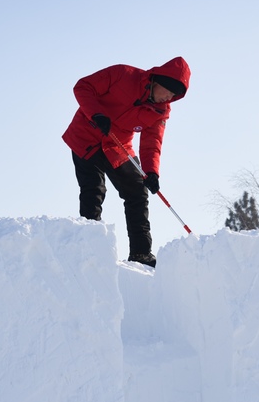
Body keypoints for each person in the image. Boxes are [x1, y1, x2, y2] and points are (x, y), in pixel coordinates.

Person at [62, 56, 191, 268]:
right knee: (93, 190)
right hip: (86, 137)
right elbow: (83, 86)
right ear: (157, 81)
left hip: (117, 146)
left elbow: (152, 143)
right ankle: (91, 248)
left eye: (173, 96)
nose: (168, 97)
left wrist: (152, 172)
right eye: (168, 91)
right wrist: (97, 114)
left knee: (138, 192)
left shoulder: (161, 111)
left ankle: (141, 254)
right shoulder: (123, 75)